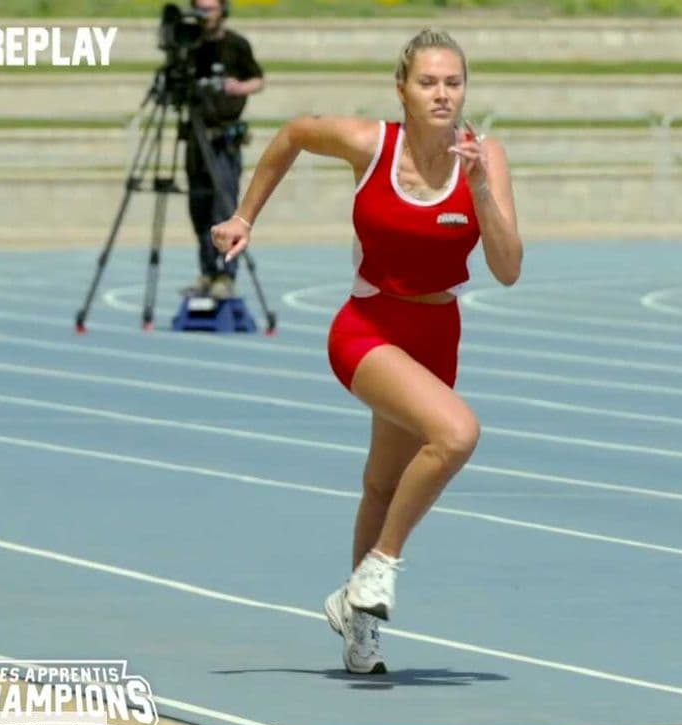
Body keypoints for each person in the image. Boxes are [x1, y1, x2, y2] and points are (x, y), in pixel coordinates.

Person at [210, 29, 522, 675]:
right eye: (428, 82)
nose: (442, 94)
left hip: (438, 334)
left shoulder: (485, 153)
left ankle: (358, 630)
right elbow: (295, 132)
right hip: (368, 330)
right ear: (403, 90)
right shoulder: (369, 144)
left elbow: (509, 267)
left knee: (382, 484)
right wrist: (245, 216)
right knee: (458, 433)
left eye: (453, 82)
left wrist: (482, 188)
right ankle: (378, 569)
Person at [181, 0, 265, 300]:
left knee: (225, 209)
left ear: (222, 11)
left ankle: (226, 276)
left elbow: (258, 79)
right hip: (195, 138)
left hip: (224, 140)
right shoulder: (189, 46)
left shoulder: (236, 45)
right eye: (200, 8)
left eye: (211, 8)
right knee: (199, 211)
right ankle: (207, 271)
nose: (205, 15)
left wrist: (239, 88)